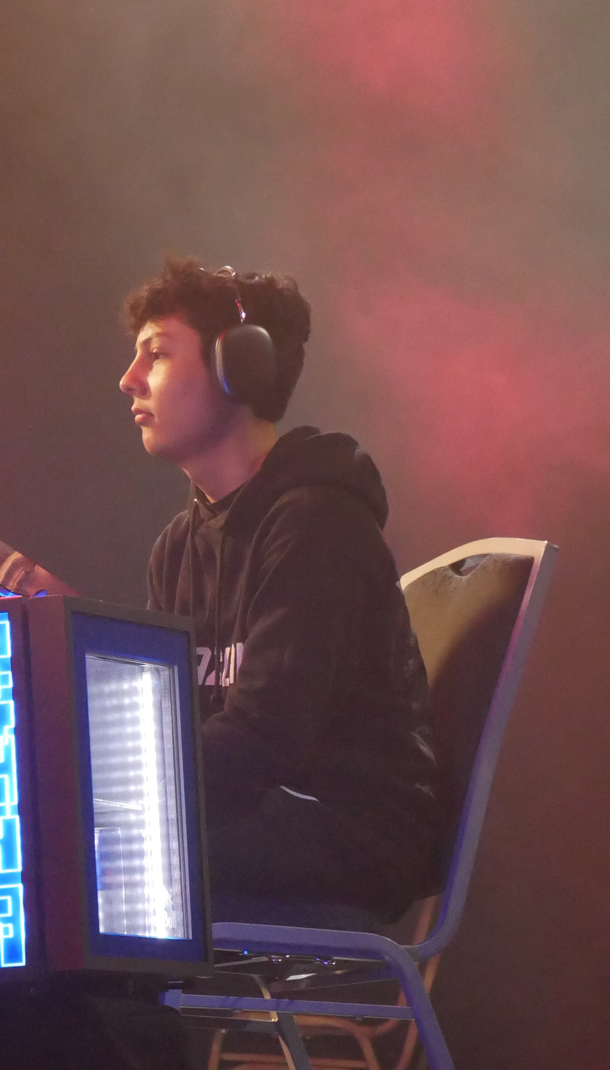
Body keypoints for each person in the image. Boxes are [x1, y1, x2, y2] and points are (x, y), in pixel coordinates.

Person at [119, 256, 439, 924]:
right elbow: (169, 731)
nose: (129, 379)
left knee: (95, 853)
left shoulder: (317, 524)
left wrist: (104, 796)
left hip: (350, 829)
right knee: (63, 840)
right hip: (259, 807)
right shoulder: (176, 549)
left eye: (157, 354)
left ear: (239, 368)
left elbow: (262, 741)